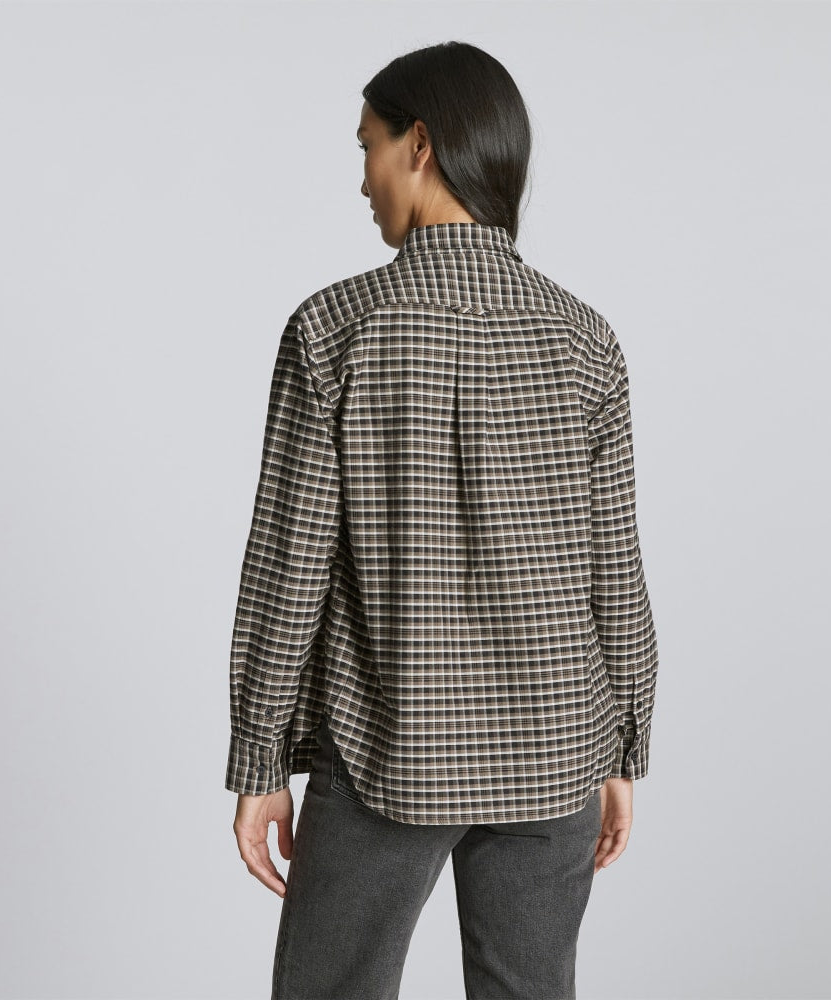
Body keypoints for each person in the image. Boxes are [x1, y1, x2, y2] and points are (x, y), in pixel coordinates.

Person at [227, 40, 660, 1000]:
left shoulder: (334, 330)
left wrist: (259, 762)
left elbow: (288, 569)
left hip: (387, 746)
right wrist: (623, 746)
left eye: (367, 146)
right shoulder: (587, 340)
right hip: (556, 750)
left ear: (418, 145)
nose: (363, 179)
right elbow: (615, 574)